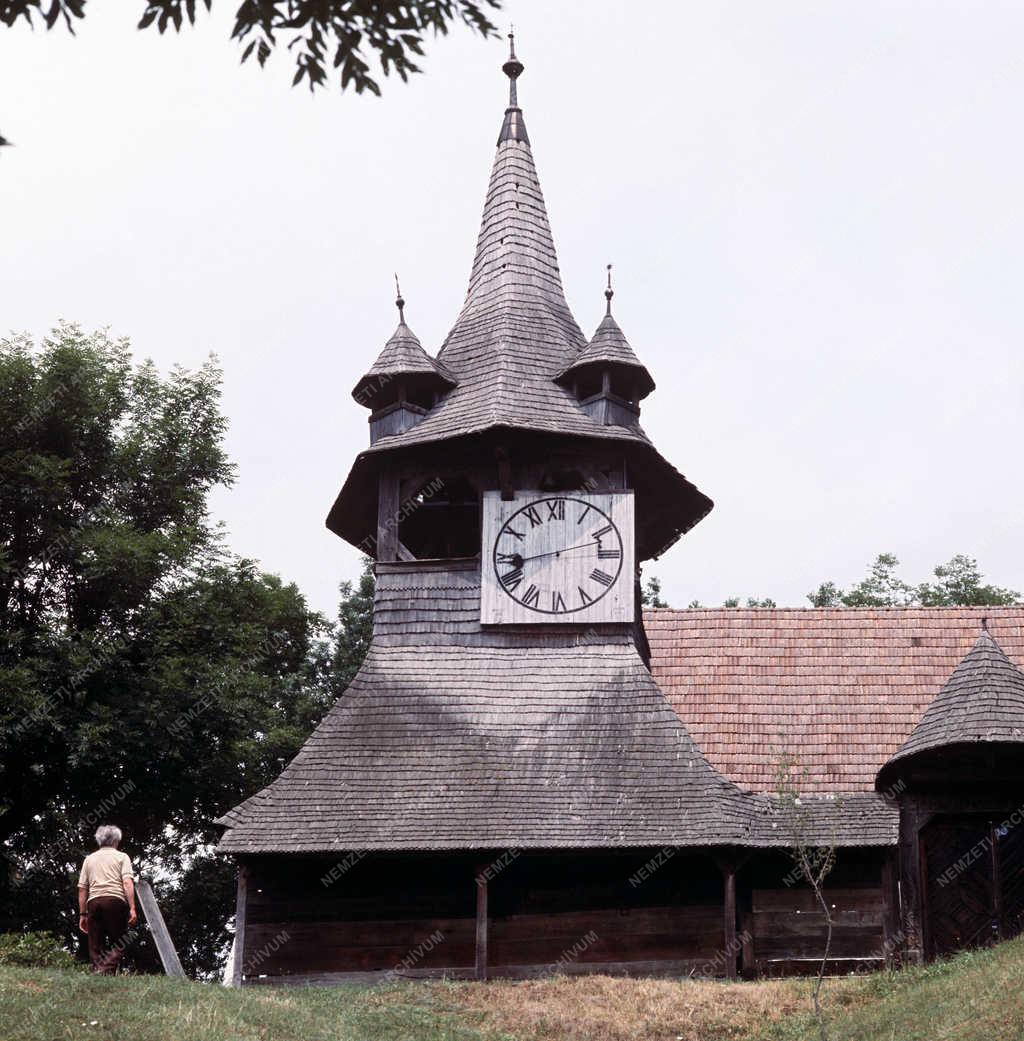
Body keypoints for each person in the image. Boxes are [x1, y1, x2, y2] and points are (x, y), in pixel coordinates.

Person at [77, 824, 138, 974]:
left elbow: (82, 888)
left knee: (95, 944)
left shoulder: (89, 859)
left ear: (99, 841)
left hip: (94, 902)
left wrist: (83, 914)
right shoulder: (122, 857)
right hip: (115, 901)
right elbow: (127, 882)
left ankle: (99, 973)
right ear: (116, 841)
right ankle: (104, 970)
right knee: (120, 941)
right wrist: (132, 907)